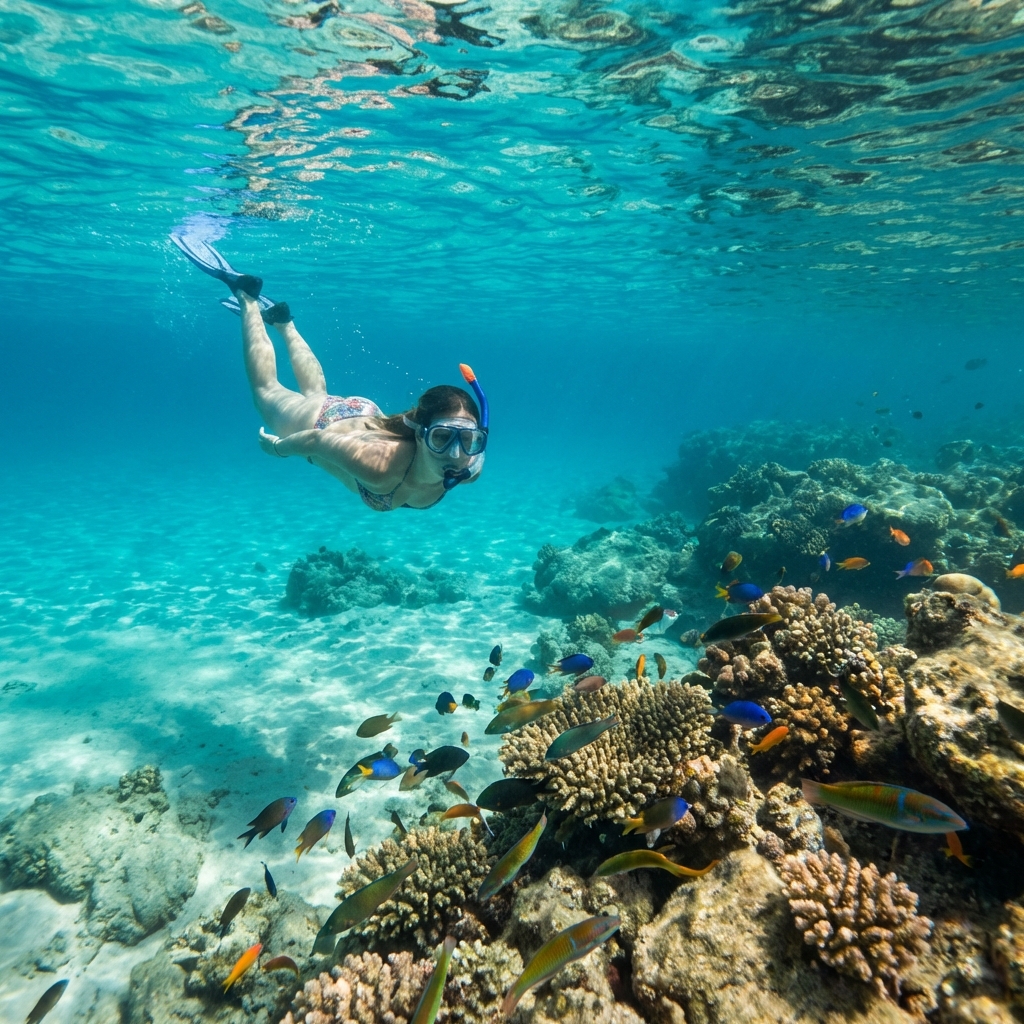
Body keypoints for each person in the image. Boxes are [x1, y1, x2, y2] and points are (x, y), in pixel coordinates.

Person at [171, 234, 488, 511]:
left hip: (363, 415)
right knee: (265, 391)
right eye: (441, 438)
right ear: (419, 432)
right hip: (325, 425)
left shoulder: (469, 466)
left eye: (469, 440)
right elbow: (316, 440)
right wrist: (279, 449)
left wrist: (467, 446)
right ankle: (247, 296)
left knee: (317, 395)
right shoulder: (379, 467)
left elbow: (470, 452)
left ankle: (284, 323)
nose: (455, 453)